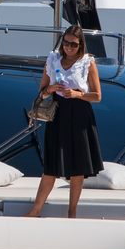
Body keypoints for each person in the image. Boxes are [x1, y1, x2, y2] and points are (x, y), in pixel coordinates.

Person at [24, 25, 104, 218]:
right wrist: (51, 89)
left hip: (80, 113)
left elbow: (98, 96)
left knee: (78, 167)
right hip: (58, 113)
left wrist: (77, 94)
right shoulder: (52, 60)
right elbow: (41, 92)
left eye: (73, 44)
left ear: (80, 45)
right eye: (66, 43)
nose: (69, 47)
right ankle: (36, 210)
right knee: (51, 164)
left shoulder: (87, 62)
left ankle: (72, 212)